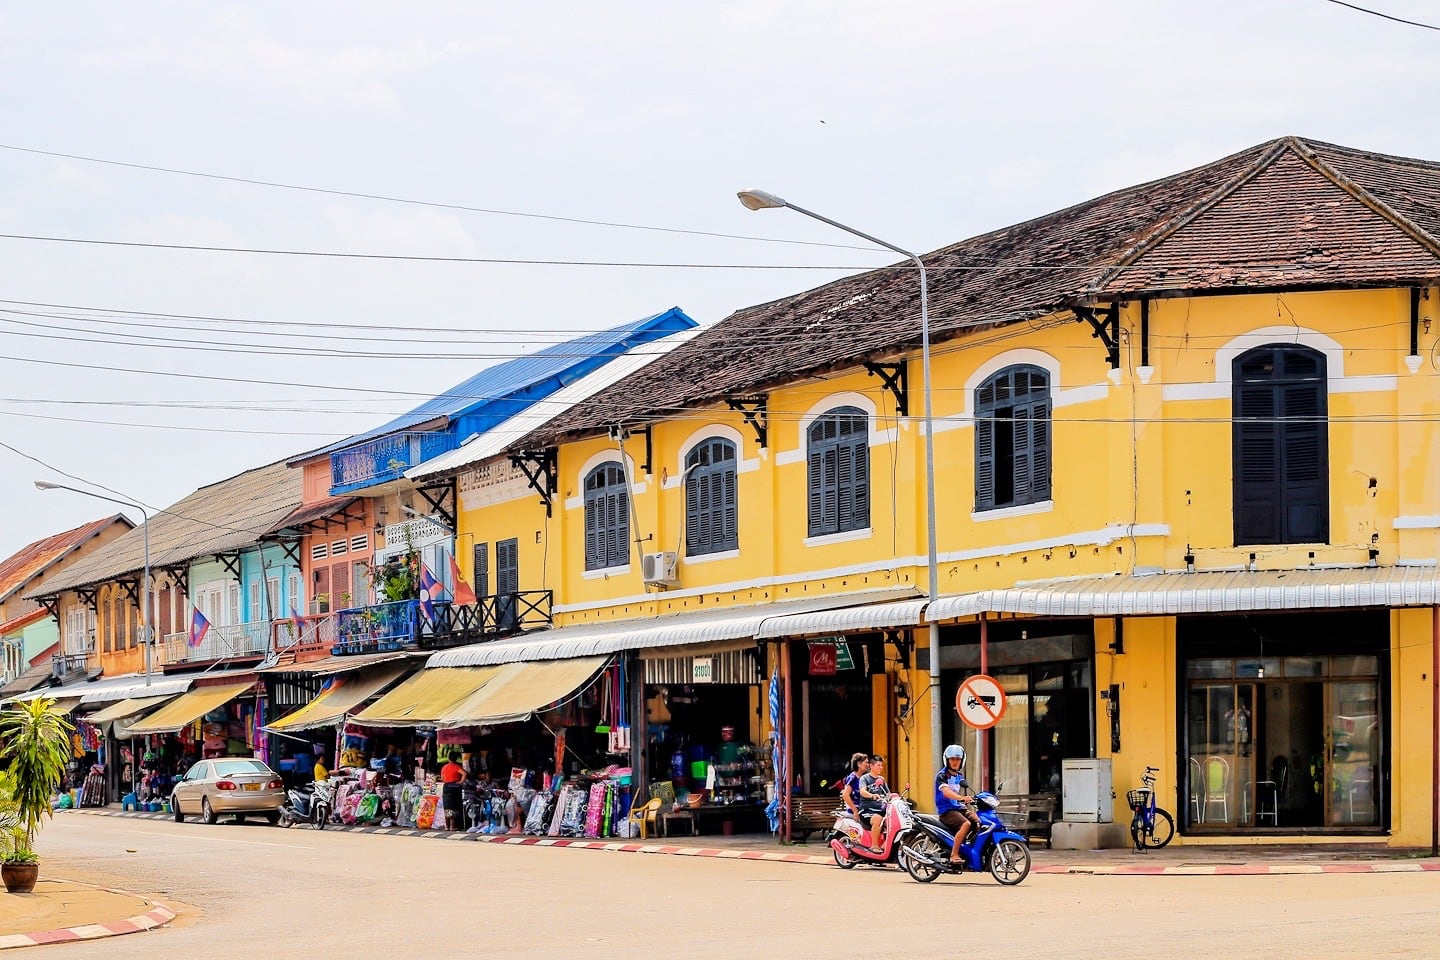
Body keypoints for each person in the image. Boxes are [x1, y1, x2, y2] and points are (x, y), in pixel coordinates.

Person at [935, 744, 980, 865]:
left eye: (958, 759)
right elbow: (946, 792)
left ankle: (967, 850)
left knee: (979, 821)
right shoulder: (942, 775)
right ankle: (954, 854)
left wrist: (974, 798)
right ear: (947, 760)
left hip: (958, 808)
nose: (955, 762)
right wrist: (961, 798)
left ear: (962, 760)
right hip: (946, 810)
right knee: (966, 824)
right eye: (952, 759)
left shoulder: (959, 776)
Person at [840, 752, 877, 850]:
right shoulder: (852, 778)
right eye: (866, 762)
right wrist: (855, 811)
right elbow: (845, 795)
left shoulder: (866, 777)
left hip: (865, 806)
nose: (868, 765)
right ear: (859, 764)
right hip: (856, 808)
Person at [858, 755, 890, 847]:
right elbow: (862, 791)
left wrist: (895, 797)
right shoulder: (864, 778)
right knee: (878, 819)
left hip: (881, 810)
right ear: (871, 766)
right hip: (867, 810)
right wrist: (872, 796)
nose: (881, 767)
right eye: (878, 765)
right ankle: (874, 846)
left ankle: (886, 845)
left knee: (893, 820)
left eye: (882, 765)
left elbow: (888, 793)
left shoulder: (882, 779)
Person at [440, 750, 466, 831]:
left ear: (449, 759)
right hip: (455, 786)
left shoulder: (444, 767)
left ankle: (447, 826)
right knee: (454, 806)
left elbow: (443, 778)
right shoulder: (456, 767)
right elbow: (464, 774)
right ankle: (452, 826)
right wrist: (461, 782)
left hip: (446, 786)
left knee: (447, 806)